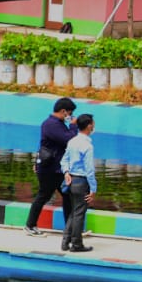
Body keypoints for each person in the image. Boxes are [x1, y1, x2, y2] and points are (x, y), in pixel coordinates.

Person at [24, 97, 78, 235]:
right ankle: (30, 226)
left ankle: (70, 228)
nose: (71, 116)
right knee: (44, 195)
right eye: (70, 113)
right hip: (49, 169)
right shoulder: (51, 124)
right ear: (63, 111)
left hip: (57, 168)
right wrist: (73, 126)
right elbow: (69, 140)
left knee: (67, 195)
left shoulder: (56, 124)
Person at [60, 113, 97, 252]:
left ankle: (65, 241)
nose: (94, 126)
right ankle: (76, 244)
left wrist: (66, 172)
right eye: (93, 124)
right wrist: (93, 189)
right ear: (89, 126)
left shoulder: (72, 141)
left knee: (74, 212)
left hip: (71, 181)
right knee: (79, 213)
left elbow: (64, 160)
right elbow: (89, 170)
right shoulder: (87, 146)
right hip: (82, 182)